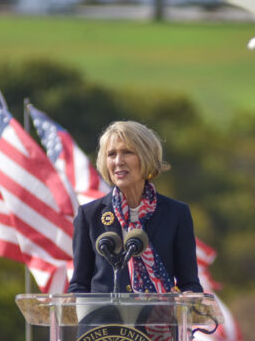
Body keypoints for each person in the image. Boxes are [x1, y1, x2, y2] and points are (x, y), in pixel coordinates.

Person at [68, 120, 202, 294]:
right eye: (111, 154)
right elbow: (79, 285)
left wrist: (189, 296)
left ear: (147, 156)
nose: (118, 161)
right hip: (105, 320)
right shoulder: (89, 215)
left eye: (127, 152)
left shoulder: (176, 213)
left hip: (160, 318)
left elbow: (190, 283)